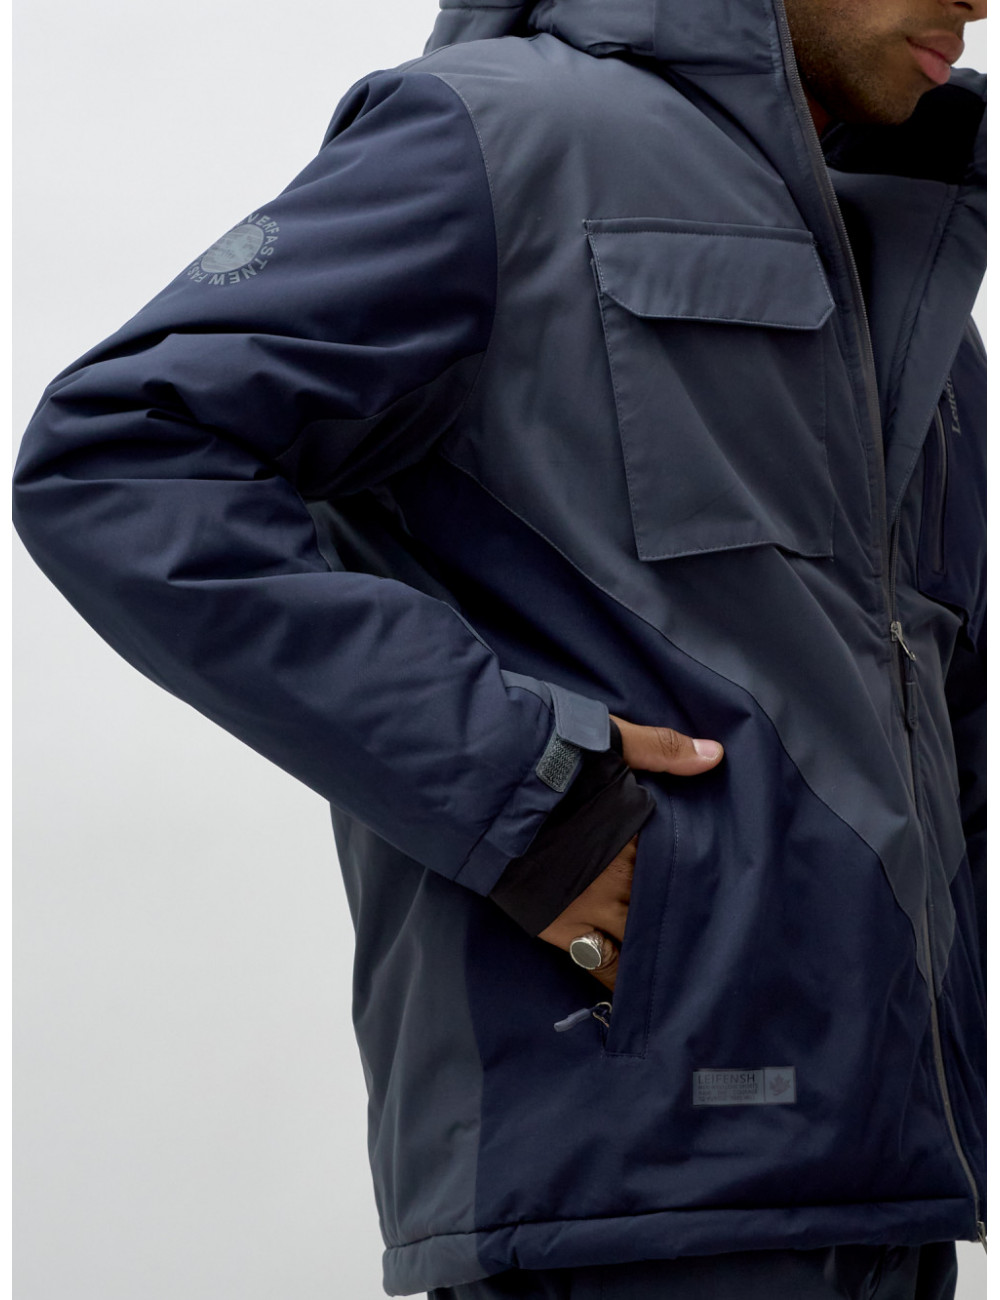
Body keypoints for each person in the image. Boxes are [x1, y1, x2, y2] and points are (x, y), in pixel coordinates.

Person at [12, 0, 986, 1296]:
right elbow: (121, 459)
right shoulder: (506, 135)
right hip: (625, 1175)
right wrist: (536, 804)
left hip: (895, 1176)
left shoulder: (903, 257)